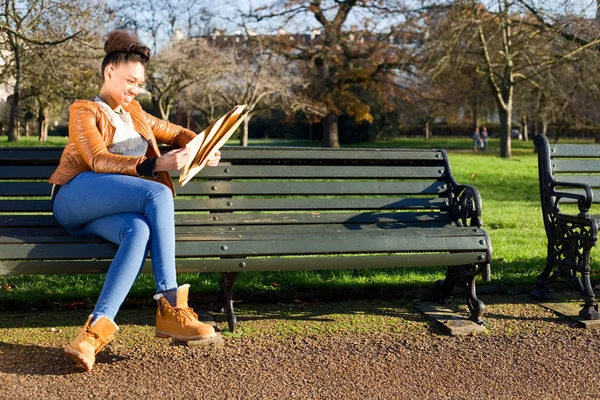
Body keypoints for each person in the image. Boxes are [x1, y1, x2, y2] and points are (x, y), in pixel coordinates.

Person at [49, 30, 221, 372]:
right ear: (108, 73)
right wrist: (155, 164)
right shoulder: (84, 110)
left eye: (139, 84)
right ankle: (172, 306)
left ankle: (92, 335)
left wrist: (202, 145)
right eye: (129, 80)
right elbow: (98, 160)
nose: (134, 89)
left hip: (110, 214)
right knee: (157, 190)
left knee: (138, 231)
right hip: (74, 198)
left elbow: (176, 132)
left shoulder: (137, 114)